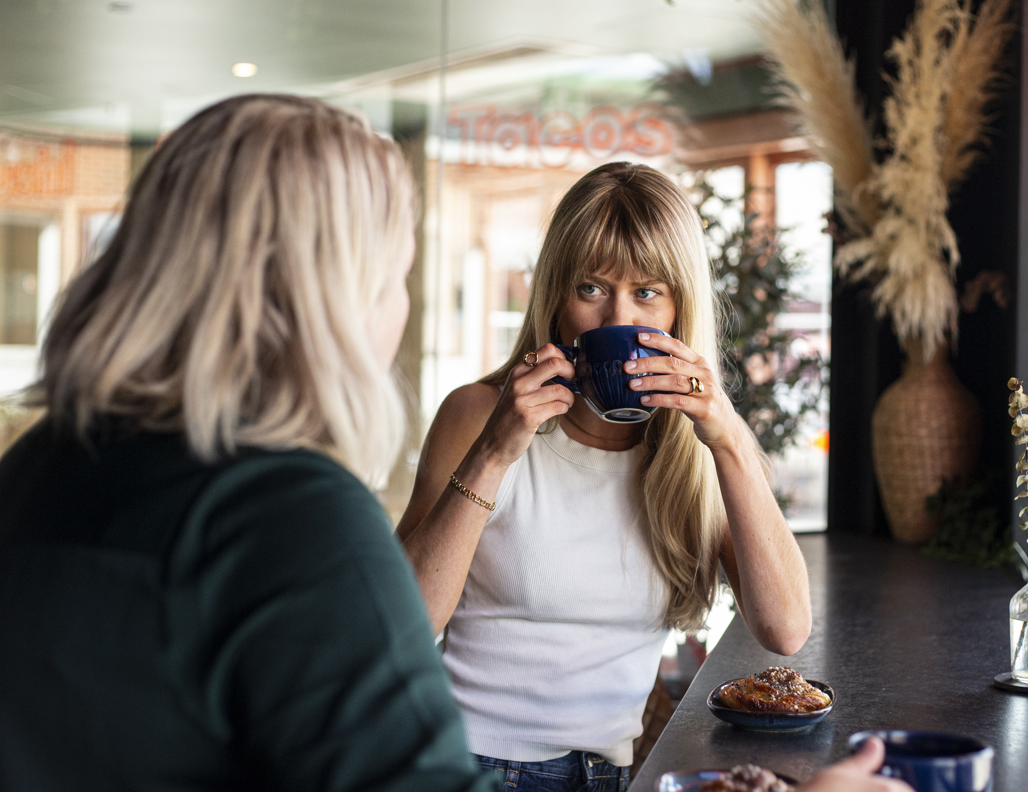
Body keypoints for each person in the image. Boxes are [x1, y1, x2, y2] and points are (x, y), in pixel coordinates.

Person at [0, 94, 498, 792]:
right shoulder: (292, 515)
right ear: (332, 299)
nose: (402, 306)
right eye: (396, 277)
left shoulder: (37, 465)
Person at [399, 161, 815, 792]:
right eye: (591, 289)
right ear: (555, 300)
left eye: (647, 292)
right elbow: (402, 625)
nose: (617, 322)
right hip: (468, 767)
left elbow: (785, 629)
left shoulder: (701, 446)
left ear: (680, 310)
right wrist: (493, 454)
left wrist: (728, 437)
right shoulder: (479, 415)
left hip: (611, 775)